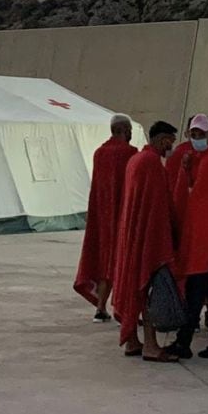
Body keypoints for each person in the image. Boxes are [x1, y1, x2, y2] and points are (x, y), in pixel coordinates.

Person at [111, 120, 180, 362]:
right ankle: (151, 346)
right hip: (149, 238)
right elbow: (160, 206)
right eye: (170, 142)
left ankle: (133, 341)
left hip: (132, 233)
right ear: (162, 140)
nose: (170, 147)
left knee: (134, 287)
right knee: (149, 290)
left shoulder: (136, 160)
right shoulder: (153, 164)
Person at [168, 113, 208, 362]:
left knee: (198, 293)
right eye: (193, 135)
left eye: (200, 134)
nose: (196, 139)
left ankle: (186, 341)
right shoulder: (207, 159)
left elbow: (198, 202)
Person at [74, 114, 138, 321]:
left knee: (104, 260)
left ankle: (101, 307)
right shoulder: (130, 153)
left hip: (102, 216)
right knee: (124, 261)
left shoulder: (99, 153)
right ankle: (125, 308)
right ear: (125, 130)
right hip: (123, 215)